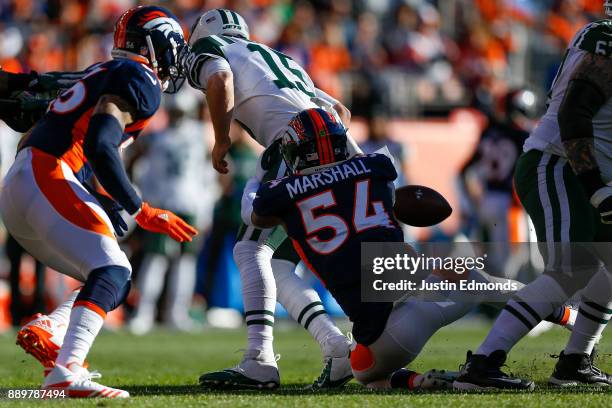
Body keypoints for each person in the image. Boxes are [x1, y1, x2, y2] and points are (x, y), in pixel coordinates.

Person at [247, 107, 575, 389]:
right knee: (469, 276)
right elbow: (374, 190)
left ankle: (415, 380)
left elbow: (258, 218)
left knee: (362, 370)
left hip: (384, 342)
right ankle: (562, 312)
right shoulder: (376, 165)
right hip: (423, 296)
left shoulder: (281, 192)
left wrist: (256, 182)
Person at [0, 6, 197, 397]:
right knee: (115, 269)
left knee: (110, 276)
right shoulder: (139, 77)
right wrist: (139, 207)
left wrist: (91, 193)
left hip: (24, 184)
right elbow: (100, 143)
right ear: (158, 44)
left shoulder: (99, 72)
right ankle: (67, 369)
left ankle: (51, 329)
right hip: (45, 174)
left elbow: (31, 107)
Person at [181, 9, 360, 389]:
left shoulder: (213, 48)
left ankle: (259, 358)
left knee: (250, 251)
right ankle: (337, 347)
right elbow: (340, 111)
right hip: (339, 148)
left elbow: (219, 77)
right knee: (278, 263)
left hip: (296, 145)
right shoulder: (278, 57)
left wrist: (221, 139)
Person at [454, 6, 612, 390]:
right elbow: (575, 114)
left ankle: (576, 360)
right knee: (571, 269)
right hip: (561, 164)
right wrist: (596, 187)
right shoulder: (605, 39)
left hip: (583, 170)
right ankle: (483, 364)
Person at [129, 91, 216, 334]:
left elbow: (210, 174)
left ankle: (175, 312)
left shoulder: (199, 135)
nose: (178, 117)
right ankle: (145, 311)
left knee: (183, 261)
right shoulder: (160, 137)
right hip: (165, 204)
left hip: (187, 203)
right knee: (157, 259)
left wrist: (206, 206)